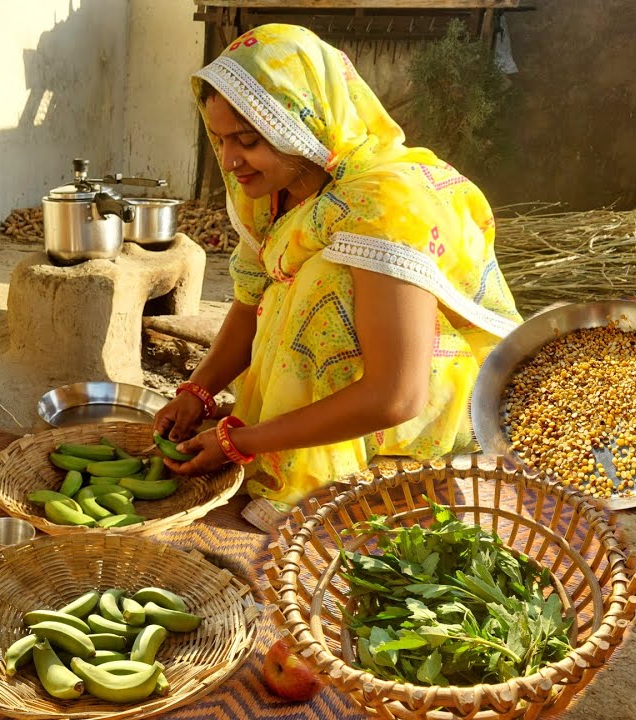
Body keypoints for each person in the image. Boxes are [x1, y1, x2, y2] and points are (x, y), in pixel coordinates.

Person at [154, 24, 523, 505]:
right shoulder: (267, 195)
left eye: (247, 140)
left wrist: (238, 443)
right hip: (351, 389)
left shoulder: (383, 206)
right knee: (294, 289)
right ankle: (292, 440)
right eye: (220, 139)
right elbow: (248, 308)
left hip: (414, 409)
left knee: (321, 283)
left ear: (302, 126)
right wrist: (197, 393)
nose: (229, 160)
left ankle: (340, 471)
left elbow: (395, 396)